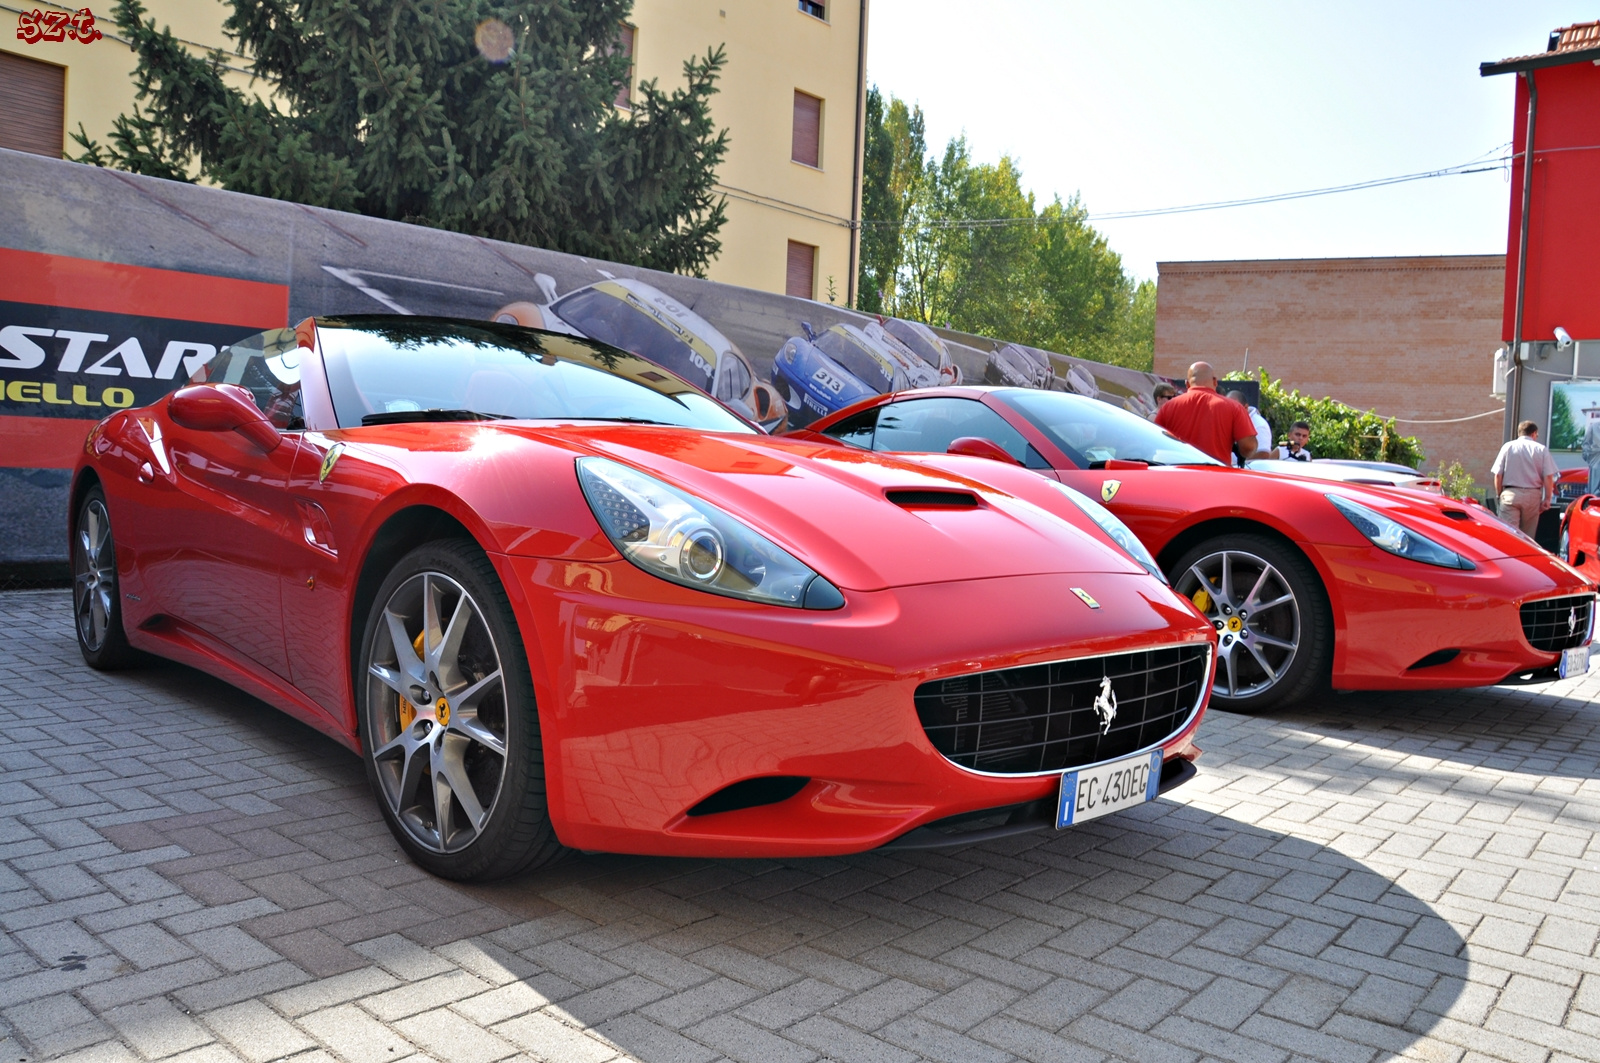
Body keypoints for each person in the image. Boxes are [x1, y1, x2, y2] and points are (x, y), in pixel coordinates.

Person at [1154, 362, 1257, 465]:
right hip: (1217, 475)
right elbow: (1248, 447)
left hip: (1178, 473)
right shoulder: (1234, 407)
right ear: (1215, 382)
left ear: (1187, 384)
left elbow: (1155, 442)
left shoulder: (1168, 407)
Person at [1491, 420, 1559, 536]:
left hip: (1510, 494)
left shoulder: (1507, 447)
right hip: (1532, 496)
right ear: (1533, 433)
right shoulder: (1541, 449)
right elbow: (1548, 476)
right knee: (1527, 537)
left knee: (1508, 535)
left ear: (1519, 433)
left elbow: (1498, 474)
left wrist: (1499, 494)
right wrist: (1547, 499)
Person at [1225, 390, 1272, 466]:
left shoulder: (1259, 424)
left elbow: (1263, 454)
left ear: (1245, 407)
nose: (1231, 412)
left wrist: (1239, 467)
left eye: (1235, 408)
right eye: (1228, 408)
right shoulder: (1229, 421)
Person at [1583, 414, 1600, 496]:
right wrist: (1588, 456)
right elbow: (1586, 443)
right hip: (1595, 459)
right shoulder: (1593, 427)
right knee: (1594, 489)